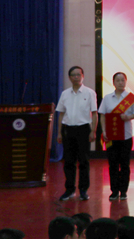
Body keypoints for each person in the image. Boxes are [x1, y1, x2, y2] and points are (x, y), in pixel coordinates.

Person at [56, 66, 98, 201]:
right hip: (68, 129)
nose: (76, 77)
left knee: (84, 161)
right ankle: (69, 190)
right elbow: (61, 114)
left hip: (83, 129)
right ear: (69, 78)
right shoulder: (65, 94)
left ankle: (83, 190)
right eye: (73, 75)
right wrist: (59, 133)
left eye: (78, 75)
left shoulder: (90, 93)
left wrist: (93, 131)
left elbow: (95, 113)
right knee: (69, 161)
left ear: (82, 76)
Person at [98, 71, 134, 201]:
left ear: (126, 82)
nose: (120, 82)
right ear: (113, 83)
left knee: (125, 164)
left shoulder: (131, 98)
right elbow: (102, 115)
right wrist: (104, 131)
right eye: (118, 80)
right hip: (111, 136)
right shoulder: (107, 98)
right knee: (113, 164)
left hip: (126, 136)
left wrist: (128, 117)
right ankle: (114, 191)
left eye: (123, 80)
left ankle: (124, 190)